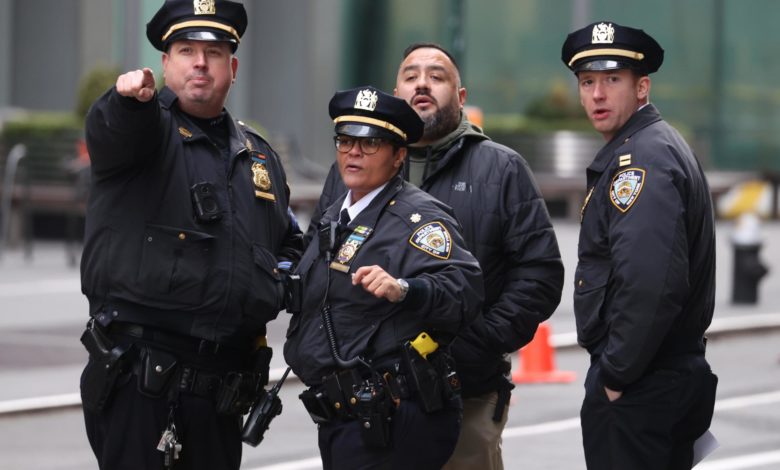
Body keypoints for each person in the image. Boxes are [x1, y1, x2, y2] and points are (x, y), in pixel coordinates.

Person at [307, 43, 564, 469]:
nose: (422, 83)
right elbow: (322, 259)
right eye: (411, 75)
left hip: (465, 392)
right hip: (365, 400)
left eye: (437, 76)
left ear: (461, 97)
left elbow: (539, 276)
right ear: (396, 92)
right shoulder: (354, 168)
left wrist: (474, 344)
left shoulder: (501, 169)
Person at [79, 1, 303, 469]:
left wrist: (278, 281)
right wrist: (124, 100)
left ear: (233, 67)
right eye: (186, 50)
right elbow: (110, 133)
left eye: (214, 52)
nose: (200, 62)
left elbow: (287, 242)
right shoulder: (145, 129)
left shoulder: (257, 154)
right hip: (144, 384)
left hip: (223, 391)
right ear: (165, 63)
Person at [284, 85, 484, 469]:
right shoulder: (335, 213)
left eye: (371, 143)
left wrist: (405, 289)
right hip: (344, 414)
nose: (354, 152)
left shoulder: (419, 217)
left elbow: (466, 289)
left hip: (394, 415)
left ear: (398, 157)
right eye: (345, 141)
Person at [561, 21, 719, 470]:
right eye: (587, 82)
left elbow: (650, 281)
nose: (597, 94)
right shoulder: (648, 145)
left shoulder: (642, 158)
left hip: (641, 383)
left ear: (642, 87)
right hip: (657, 376)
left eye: (612, 80)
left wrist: (615, 375)